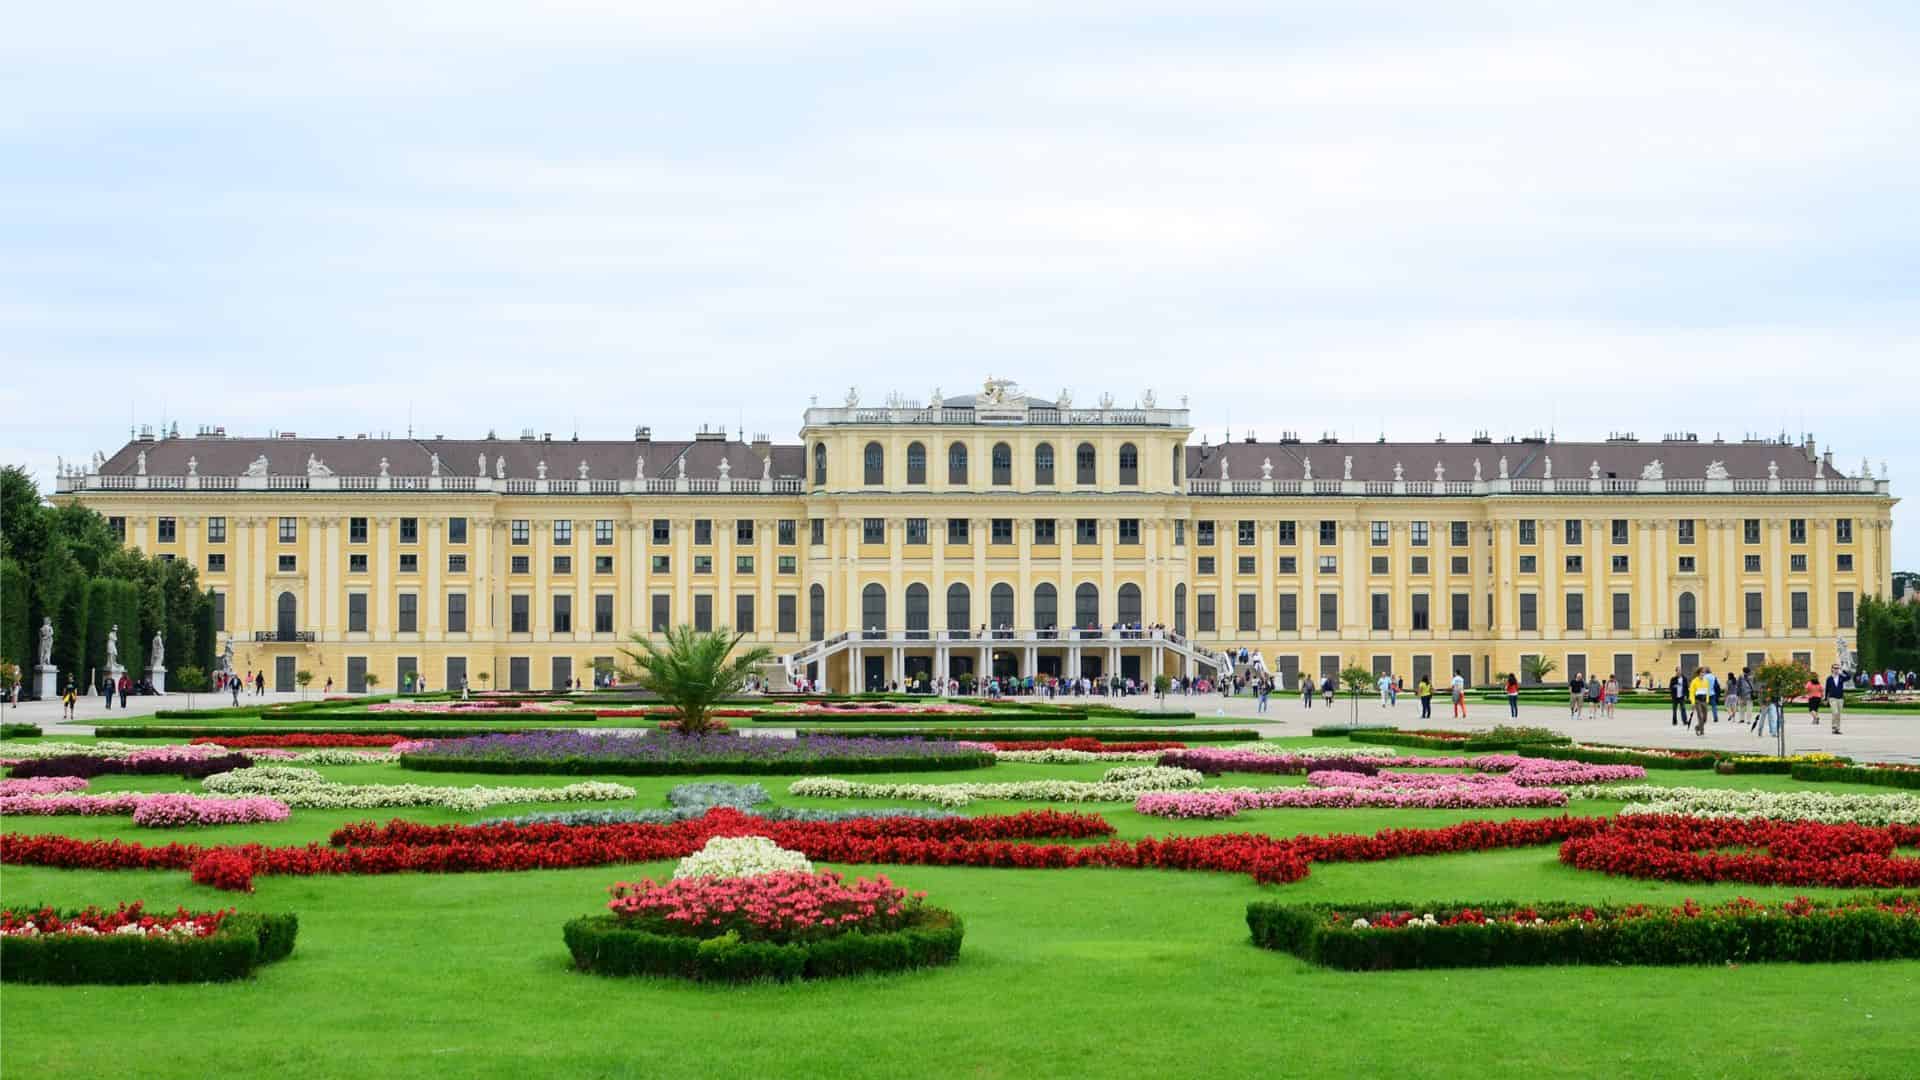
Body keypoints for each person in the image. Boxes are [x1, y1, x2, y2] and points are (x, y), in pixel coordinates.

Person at [1825, 666, 1847, 734]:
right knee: (1835, 712)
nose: (1836, 669)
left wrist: (1843, 671)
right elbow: (1827, 689)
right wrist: (1826, 698)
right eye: (1835, 668)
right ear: (1832, 669)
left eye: (1837, 668)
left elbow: (1849, 677)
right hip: (1832, 698)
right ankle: (1834, 726)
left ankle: (1837, 729)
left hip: (1840, 698)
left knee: (1839, 714)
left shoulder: (1841, 677)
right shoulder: (1829, 678)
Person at [1689, 667, 1709, 735]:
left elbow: (1707, 692)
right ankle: (1702, 731)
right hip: (1697, 701)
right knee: (1700, 716)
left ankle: (1697, 727)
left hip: (1704, 701)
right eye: (1702, 672)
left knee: (1705, 718)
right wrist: (1692, 702)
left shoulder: (1706, 681)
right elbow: (1691, 693)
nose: (1703, 674)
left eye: (1704, 672)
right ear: (1699, 673)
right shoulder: (1694, 681)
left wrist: (1707, 700)